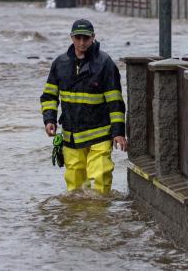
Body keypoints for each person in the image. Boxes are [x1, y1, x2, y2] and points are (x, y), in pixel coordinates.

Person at [40, 19, 127, 194]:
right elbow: (49, 95)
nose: (82, 42)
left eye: (85, 38)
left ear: (93, 37)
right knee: (75, 186)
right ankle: (78, 216)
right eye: (78, 38)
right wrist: (49, 119)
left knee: (99, 178)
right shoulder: (60, 63)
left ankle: (99, 217)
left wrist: (118, 133)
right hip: (71, 135)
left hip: (100, 134)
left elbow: (115, 101)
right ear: (71, 37)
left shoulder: (105, 63)